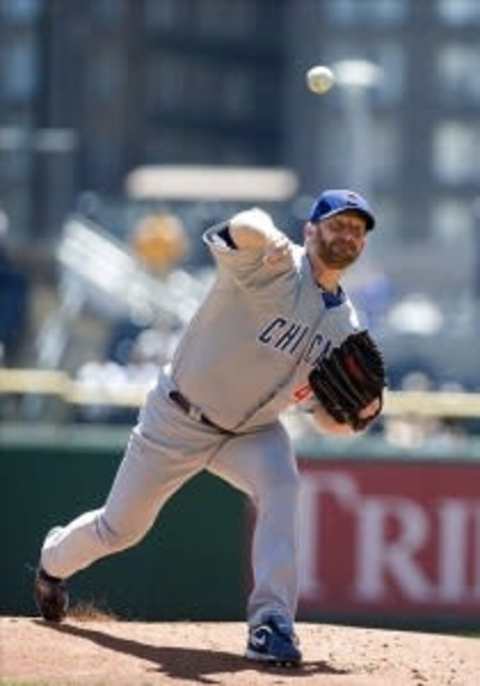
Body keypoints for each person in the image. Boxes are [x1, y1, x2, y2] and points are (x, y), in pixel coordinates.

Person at [34, 189, 382, 666]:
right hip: (179, 415)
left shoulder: (345, 326)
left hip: (252, 431)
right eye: (337, 223)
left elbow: (324, 416)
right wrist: (265, 234)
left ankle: (271, 623)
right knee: (120, 529)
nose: (347, 234)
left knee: (282, 484)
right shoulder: (270, 263)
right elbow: (242, 222)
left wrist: (356, 420)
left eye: (357, 229)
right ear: (310, 229)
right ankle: (52, 564)